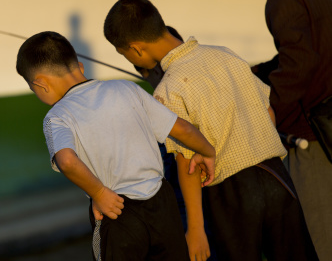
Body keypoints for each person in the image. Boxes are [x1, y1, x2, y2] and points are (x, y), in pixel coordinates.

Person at [104, 0, 318, 261]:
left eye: (123, 53)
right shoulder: (225, 54)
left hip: (230, 193)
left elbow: (186, 164)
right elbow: (268, 112)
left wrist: (195, 230)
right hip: (277, 179)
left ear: (135, 49)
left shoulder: (167, 91)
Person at [16, 31, 216, 261]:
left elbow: (67, 161)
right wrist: (207, 152)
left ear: (40, 84)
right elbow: (183, 129)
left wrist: (98, 193)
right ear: (80, 66)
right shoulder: (126, 88)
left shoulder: (57, 117)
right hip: (162, 203)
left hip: (117, 210)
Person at [236, 0, 332, 259]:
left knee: (323, 239)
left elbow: (300, 64)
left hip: (315, 137)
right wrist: (258, 73)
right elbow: (313, 50)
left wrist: (267, 110)